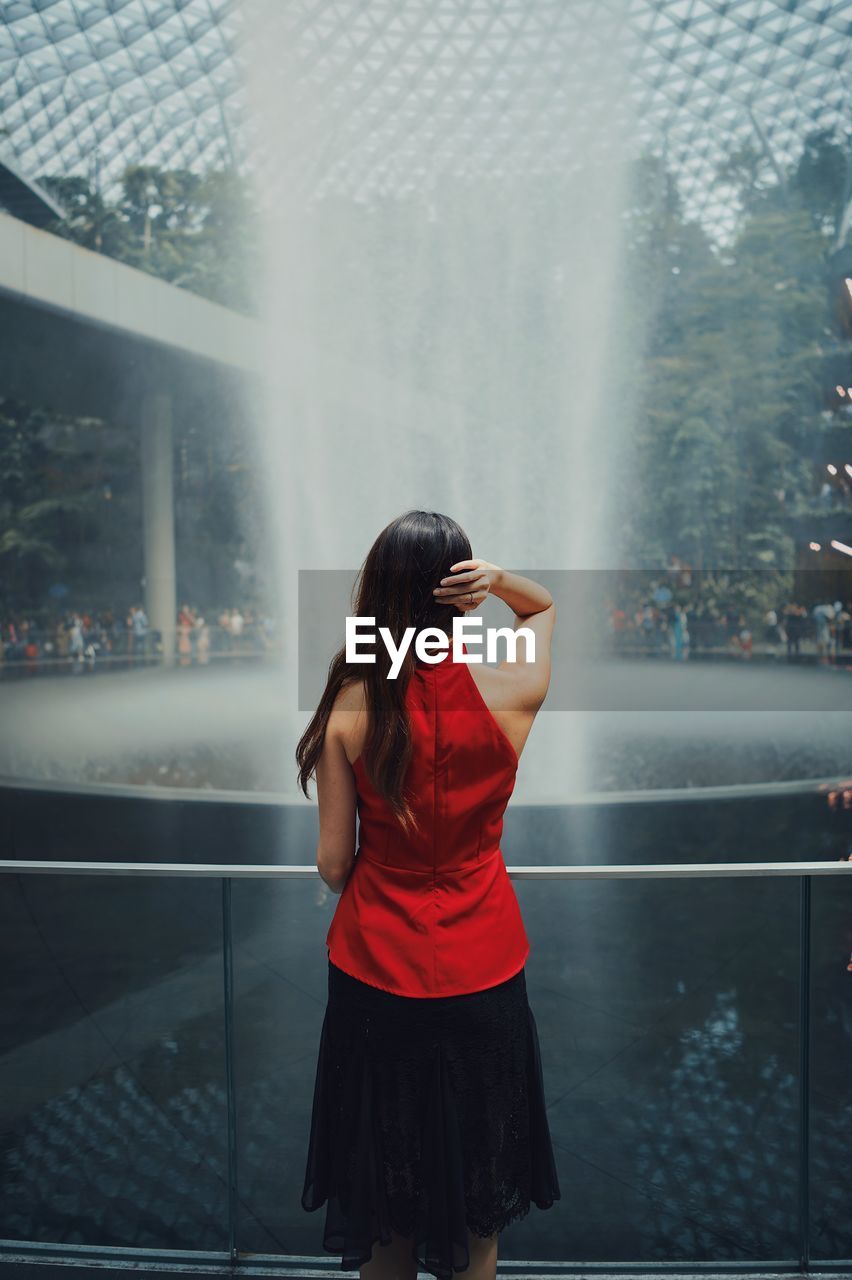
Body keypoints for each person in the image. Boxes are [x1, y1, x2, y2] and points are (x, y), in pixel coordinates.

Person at [296, 510, 561, 1280]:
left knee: (387, 1225)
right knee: (478, 1226)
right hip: (486, 973)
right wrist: (504, 583)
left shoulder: (355, 697)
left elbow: (334, 863)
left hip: (378, 977)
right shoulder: (512, 687)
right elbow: (543, 608)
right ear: (462, 596)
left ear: (379, 592)